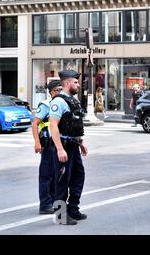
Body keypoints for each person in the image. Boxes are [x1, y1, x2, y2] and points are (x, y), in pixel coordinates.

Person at [49, 70, 88, 225]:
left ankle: (73, 210)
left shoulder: (72, 101)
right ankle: (60, 216)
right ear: (67, 83)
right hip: (63, 146)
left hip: (73, 145)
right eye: (76, 82)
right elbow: (53, 126)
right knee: (62, 180)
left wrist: (80, 142)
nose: (78, 85)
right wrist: (59, 149)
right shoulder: (58, 102)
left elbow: (74, 125)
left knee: (78, 177)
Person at [31, 80, 62, 215]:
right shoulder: (45, 104)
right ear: (52, 92)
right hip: (48, 143)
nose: (60, 92)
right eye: (58, 90)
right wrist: (37, 142)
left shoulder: (61, 103)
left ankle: (54, 201)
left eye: (61, 89)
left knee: (57, 174)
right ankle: (45, 204)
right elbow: (35, 124)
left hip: (58, 143)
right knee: (46, 175)